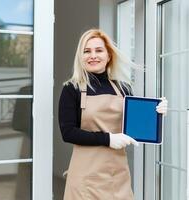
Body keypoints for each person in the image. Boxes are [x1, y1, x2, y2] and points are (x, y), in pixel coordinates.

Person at [58, 29, 168, 199]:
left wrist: (157, 112)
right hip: (85, 178)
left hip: (117, 176)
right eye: (87, 51)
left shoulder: (123, 89)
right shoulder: (72, 89)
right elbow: (68, 132)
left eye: (99, 50)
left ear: (109, 56)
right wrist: (109, 139)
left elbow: (136, 124)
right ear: (81, 57)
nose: (92, 55)